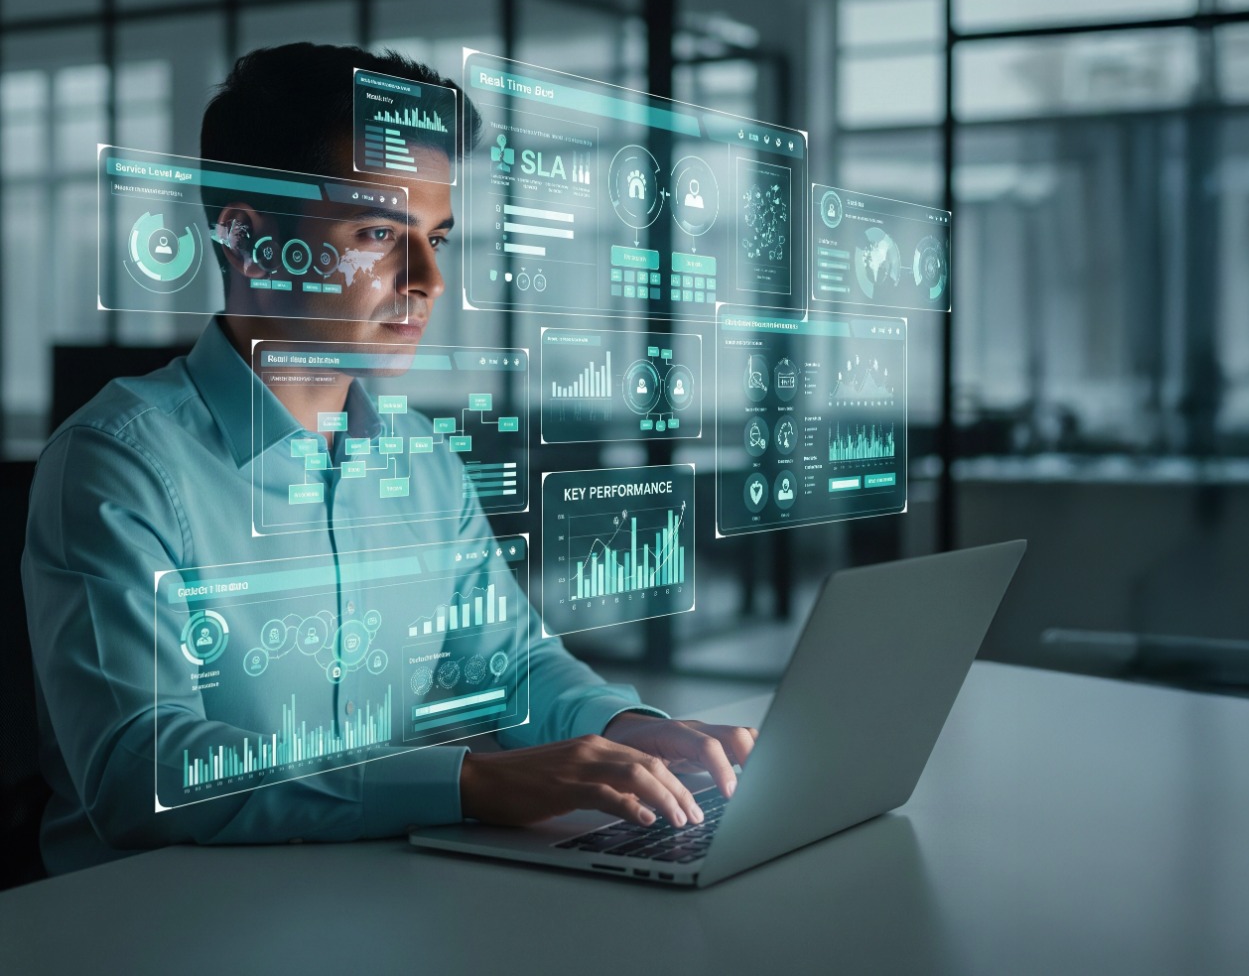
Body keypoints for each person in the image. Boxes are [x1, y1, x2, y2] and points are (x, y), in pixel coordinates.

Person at [22, 43, 753, 875]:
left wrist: (623, 728)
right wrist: (468, 785)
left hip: (362, 889)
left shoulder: (421, 458)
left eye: (436, 236)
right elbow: (140, 768)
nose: (431, 279)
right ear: (248, 239)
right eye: (378, 231)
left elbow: (508, 661)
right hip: (148, 919)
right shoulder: (117, 466)